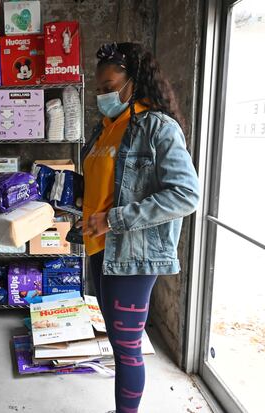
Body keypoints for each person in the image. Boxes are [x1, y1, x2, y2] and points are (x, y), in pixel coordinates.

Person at [82, 43, 200, 412]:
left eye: (110, 86)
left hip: (132, 256)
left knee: (127, 347)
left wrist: (114, 219)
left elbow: (185, 195)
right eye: (99, 89)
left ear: (135, 81)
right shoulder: (104, 128)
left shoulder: (158, 128)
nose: (103, 95)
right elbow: (103, 189)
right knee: (118, 343)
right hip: (99, 248)